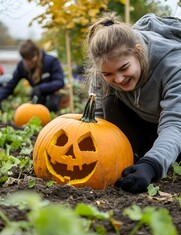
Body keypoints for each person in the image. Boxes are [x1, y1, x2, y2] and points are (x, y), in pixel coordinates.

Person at [85, 12, 181, 193]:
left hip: (175, 131)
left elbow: (176, 124)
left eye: (124, 68)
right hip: (147, 124)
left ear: (137, 51)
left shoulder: (174, 65)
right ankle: (135, 157)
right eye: (108, 74)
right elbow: (98, 121)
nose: (119, 79)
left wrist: (151, 165)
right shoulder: (102, 73)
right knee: (109, 101)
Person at [0, 39, 65, 112]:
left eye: (31, 60)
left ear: (37, 53)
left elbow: (59, 82)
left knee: (51, 105)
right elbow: (10, 86)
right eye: (26, 60)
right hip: (36, 97)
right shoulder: (22, 66)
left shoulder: (51, 61)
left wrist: (40, 88)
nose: (29, 64)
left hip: (52, 95)